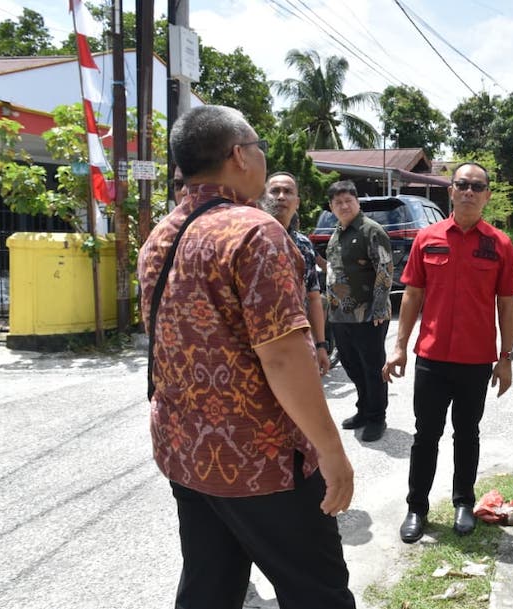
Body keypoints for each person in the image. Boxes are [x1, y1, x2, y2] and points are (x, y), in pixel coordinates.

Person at [137, 105, 356, 609]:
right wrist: (330, 451)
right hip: (262, 462)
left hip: (187, 452)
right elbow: (283, 356)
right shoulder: (254, 232)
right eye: (257, 147)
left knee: (209, 586)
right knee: (318, 593)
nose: (261, 157)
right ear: (238, 155)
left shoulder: (159, 237)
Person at [382, 162, 513, 543]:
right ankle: (416, 508)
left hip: (476, 362)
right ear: (451, 191)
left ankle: (463, 502)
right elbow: (412, 295)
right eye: (463, 184)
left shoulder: (500, 244)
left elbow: (506, 305)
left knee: (467, 434)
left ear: (487, 195)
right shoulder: (427, 238)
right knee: (425, 435)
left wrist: (505, 358)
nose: (470, 191)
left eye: (478, 186)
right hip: (432, 359)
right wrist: (399, 347)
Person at [324, 180, 393, 442]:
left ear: (357, 202)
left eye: (348, 200)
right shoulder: (337, 232)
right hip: (340, 315)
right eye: (337, 202)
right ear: (331, 207)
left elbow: (385, 270)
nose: (343, 206)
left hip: (368, 316)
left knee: (373, 368)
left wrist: (378, 310)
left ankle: (377, 417)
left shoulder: (370, 230)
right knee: (353, 366)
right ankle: (364, 410)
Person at [262, 171, 331, 375]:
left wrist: (321, 346)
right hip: (257, 345)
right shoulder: (250, 238)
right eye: (275, 191)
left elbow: (314, 297)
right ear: (263, 197)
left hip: (295, 343)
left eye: (288, 191)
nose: (281, 196)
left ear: (297, 202)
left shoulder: (303, 245)